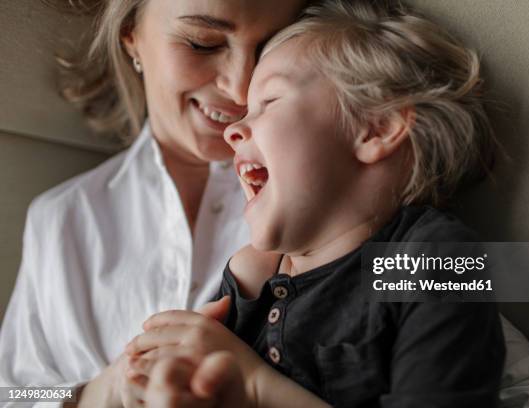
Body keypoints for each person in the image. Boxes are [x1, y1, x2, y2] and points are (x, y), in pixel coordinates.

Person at [127, 1, 508, 406]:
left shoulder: (434, 262)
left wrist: (256, 386)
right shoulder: (253, 281)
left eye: (269, 102)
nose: (233, 130)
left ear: (376, 128)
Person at [0, 1, 307, 407]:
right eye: (202, 43)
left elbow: (417, 280)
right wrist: (99, 392)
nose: (240, 87)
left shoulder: (339, 192)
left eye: (270, 47)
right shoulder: (61, 218)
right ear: (131, 36)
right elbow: (12, 394)